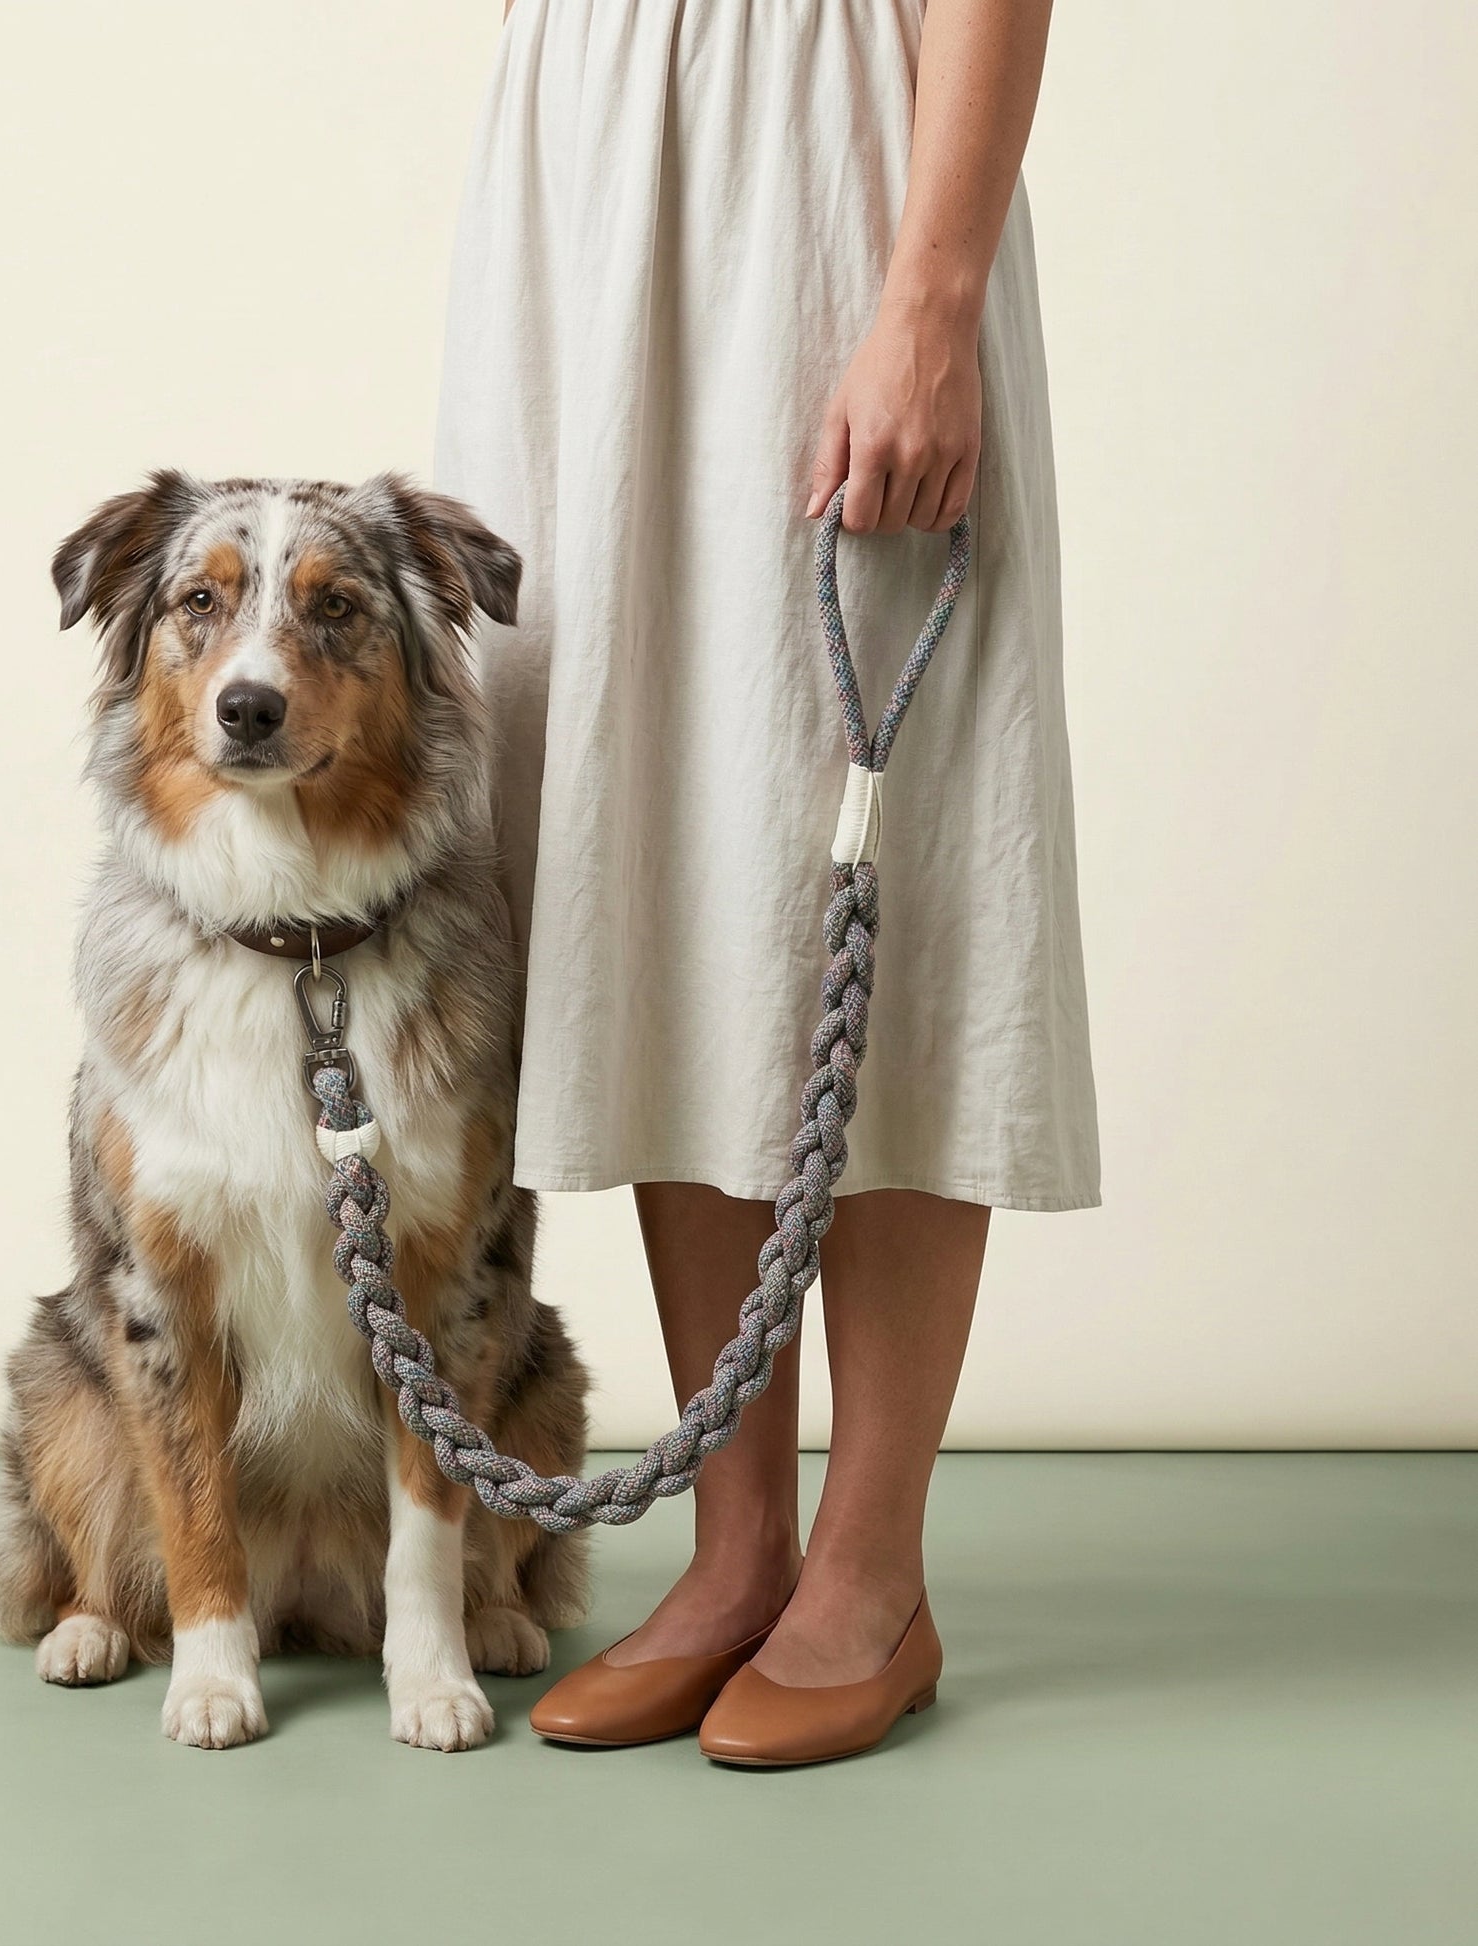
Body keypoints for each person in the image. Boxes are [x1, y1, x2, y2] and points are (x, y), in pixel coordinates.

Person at [433, 0, 1098, 1766]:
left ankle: (869, 1569)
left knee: (874, 839)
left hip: (821, 169)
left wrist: (930, 296)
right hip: (584, 175)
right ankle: (737, 1553)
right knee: (641, 843)